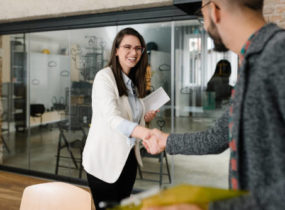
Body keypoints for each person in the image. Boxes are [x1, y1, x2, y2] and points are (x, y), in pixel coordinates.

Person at [143, 0, 285, 209]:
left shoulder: (277, 55)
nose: (204, 23)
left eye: (202, 14)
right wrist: (166, 140)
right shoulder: (251, 64)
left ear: (215, 10)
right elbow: (217, 137)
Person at [82, 27, 158, 210]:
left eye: (138, 48)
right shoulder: (104, 77)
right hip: (104, 160)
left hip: (128, 158)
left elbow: (129, 117)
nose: (134, 52)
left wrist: (144, 119)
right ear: (116, 50)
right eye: (127, 47)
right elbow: (113, 118)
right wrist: (147, 132)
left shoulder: (133, 81)